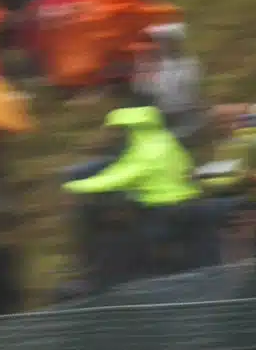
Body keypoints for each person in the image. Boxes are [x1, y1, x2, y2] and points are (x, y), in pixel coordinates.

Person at [64, 102, 201, 290]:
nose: (116, 135)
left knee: (128, 243)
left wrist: (74, 186)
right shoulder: (166, 141)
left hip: (163, 209)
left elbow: (118, 177)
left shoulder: (146, 151)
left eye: (119, 131)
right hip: (186, 202)